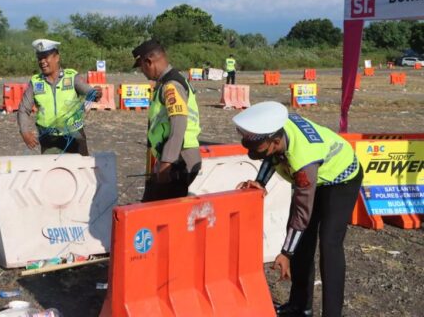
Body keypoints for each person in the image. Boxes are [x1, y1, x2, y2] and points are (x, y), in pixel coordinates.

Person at [233, 101, 363, 317]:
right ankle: (300, 306)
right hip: (317, 175)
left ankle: (332, 313)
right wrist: (260, 182)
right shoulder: (277, 129)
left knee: (329, 243)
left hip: (341, 179)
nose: (253, 151)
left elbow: (302, 213)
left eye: (257, 147)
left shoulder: (303, 161)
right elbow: (271, 156)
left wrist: (285, 253)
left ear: (274, 141)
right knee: (302, 242)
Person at [132, 39, 202, 202]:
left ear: (148, 62)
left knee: (156, 211)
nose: (142, 72)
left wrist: (166, 163)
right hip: (177, 157)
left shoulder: (171, 85)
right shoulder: (167, 82)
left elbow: (178, 124)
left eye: (141, 66)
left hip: (179, 160)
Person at [17, 39, 101, 156]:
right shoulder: (35, 82)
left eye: (46, 57)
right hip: (49, 139)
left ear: (57, 57)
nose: (42, 61)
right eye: (39, 58)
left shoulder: (72, 77)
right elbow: (23, 109)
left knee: (79, 172)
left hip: (74, 136)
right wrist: (24, 132)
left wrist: (96, 93)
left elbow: (90, 92)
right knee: (52, 173)